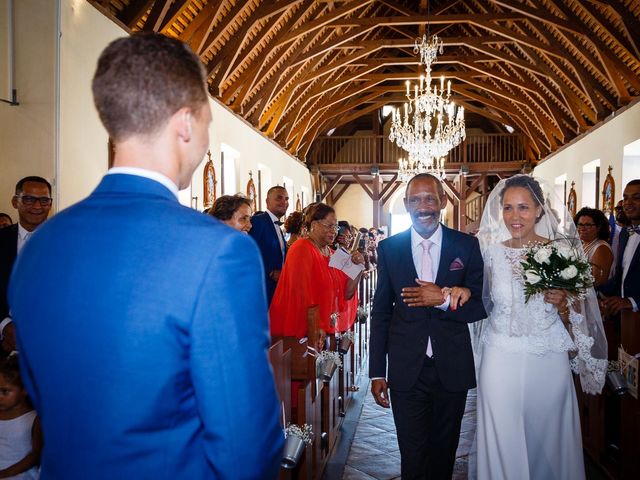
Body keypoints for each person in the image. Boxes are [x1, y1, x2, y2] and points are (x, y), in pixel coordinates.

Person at [9, 33, 283, 479]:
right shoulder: (218, 252)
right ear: (185, 123)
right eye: (208, 122)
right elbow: (244, 445)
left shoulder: (40, 246)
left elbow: (44, 393)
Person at [475, 174, 607, 480]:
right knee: (501, 431)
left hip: (546, 355)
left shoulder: (561, 254)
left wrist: (563, 304)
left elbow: (578, 314)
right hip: (499, 355)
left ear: (538, 210)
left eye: (523, 207)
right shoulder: (491, 254)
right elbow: (483, 304)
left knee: (547, 434)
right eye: (508, 208)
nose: (514, 216)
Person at [369, 173, 485, 480]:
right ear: (406, 205)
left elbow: (479, 306)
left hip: (452, 366)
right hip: (407, 368)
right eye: (416, 199)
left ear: (443, 201)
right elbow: (381, 312)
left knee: (444, 452)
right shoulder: (390, 249)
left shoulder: (467, 246)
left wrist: (444, 300)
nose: (424, 206)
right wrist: (377, 371)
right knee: (412, 454)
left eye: (431, 198)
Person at [270, 203, 364, 349]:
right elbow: (300, 292)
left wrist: (358, 267)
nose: (334, 231)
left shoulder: (334, 254)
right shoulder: (301, 248)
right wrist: (315, 326)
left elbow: (347, 293)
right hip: (298, 331)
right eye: (329, 226)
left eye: (336, 227)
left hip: (321, 331)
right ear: (314, 224)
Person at [0, 177, 52, 319]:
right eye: (29, 199)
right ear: (15, 202)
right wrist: (3, 325)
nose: (37, 206)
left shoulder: (66, 242)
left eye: (44, 200)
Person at [600, 179, 640, 316]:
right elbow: (620, 276)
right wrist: (592, 291)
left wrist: (633, 301)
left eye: (636, 198)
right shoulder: (625, 233)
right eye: (625, 198)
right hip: (626, 318)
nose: (628, 203)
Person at [0, 355, 42, 479]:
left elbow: (35, 454)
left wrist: (5, 473)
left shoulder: (33, 418)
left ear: (25, 390)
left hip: (19, 473)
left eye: (5, 391)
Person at [249, 186, 289, 304]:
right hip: (263, 289)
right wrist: (270, 272)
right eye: (279, 198)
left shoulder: (277, 226)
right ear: (267, 202)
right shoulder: (258, 221)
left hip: (277, 289)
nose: (284, 202)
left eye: (286, 199)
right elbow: (250, 253)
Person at [574, 207, 613, 285]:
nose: (582, 228)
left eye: (588, 225)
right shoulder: (582, 244)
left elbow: (598, 282)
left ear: (598, 227)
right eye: (580, 225)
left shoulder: (601, 248)